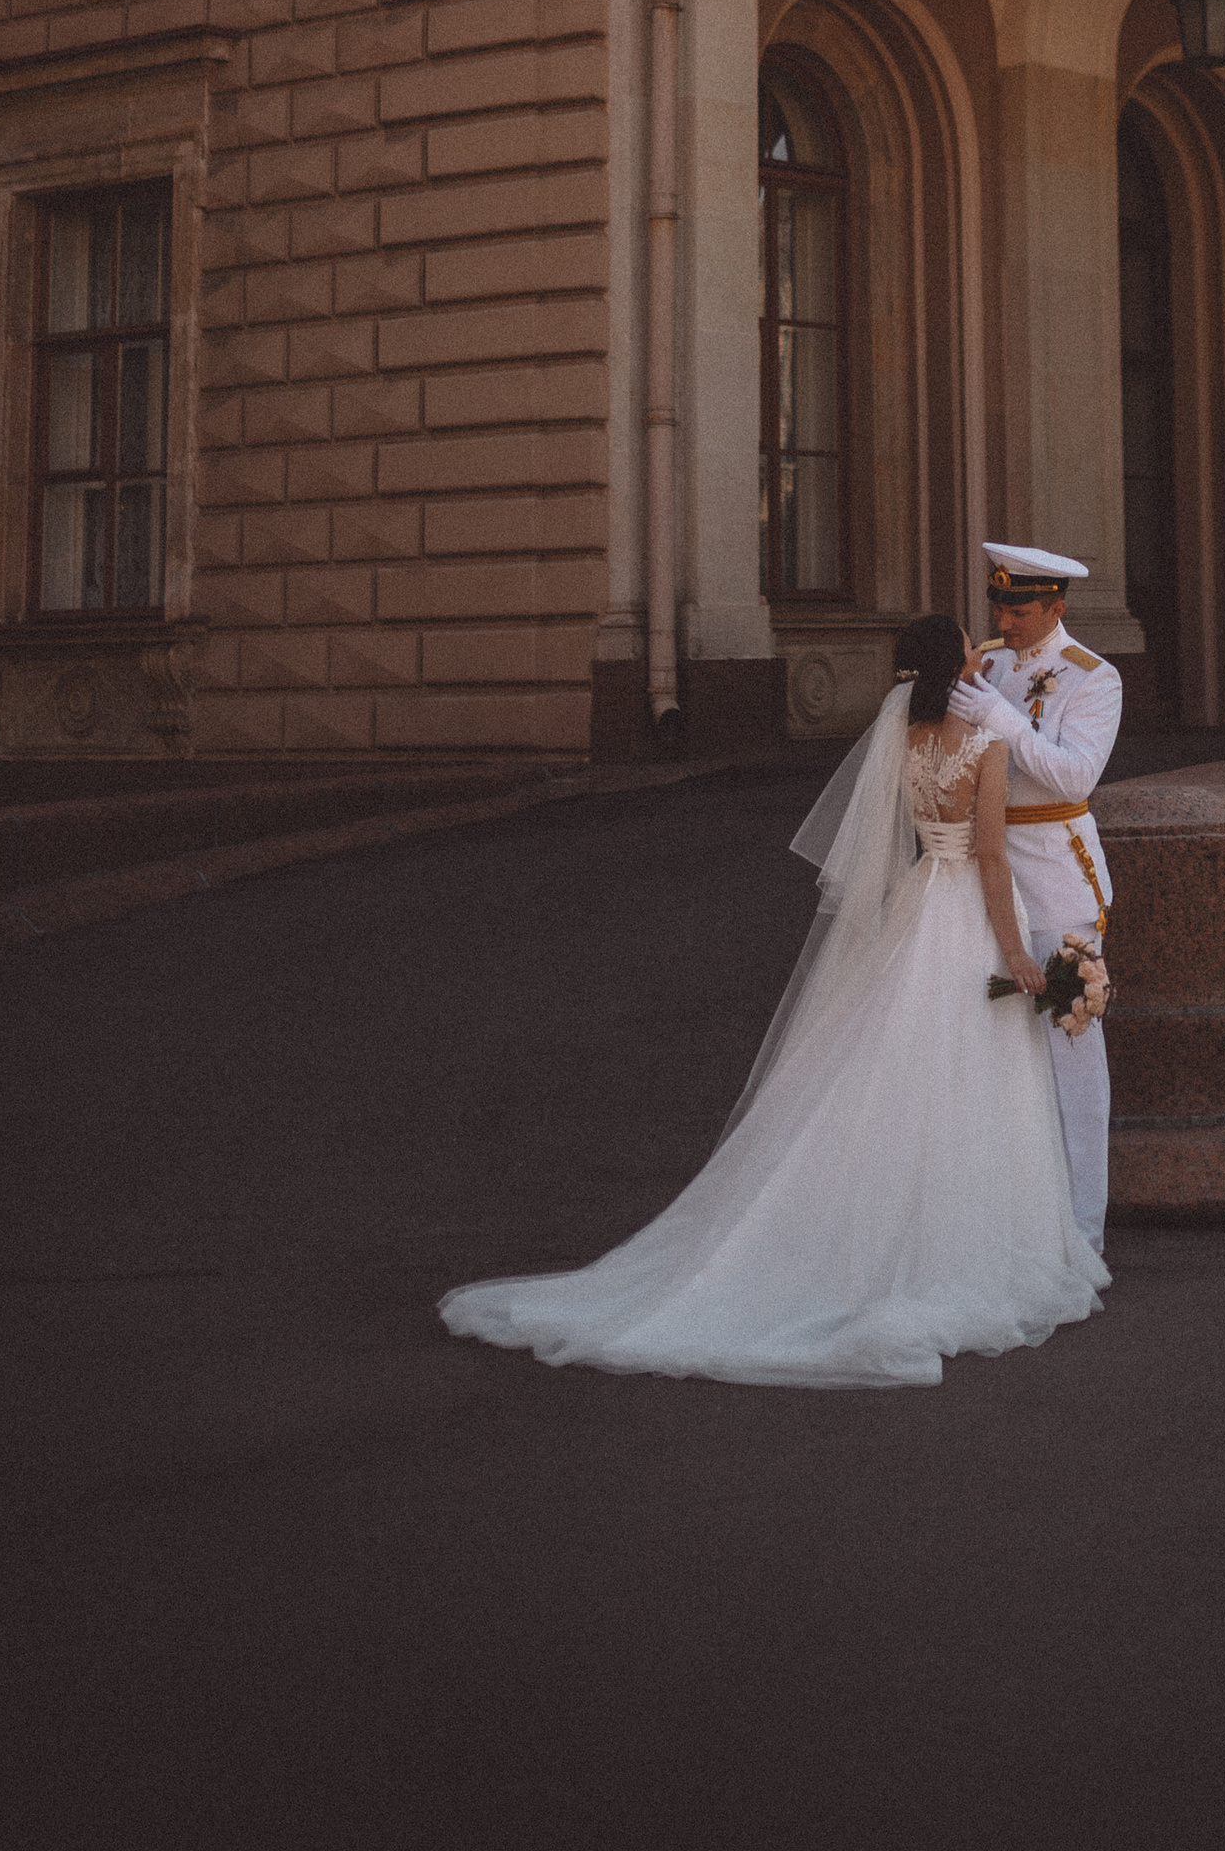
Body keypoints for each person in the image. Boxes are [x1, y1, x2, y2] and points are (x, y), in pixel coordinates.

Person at [438, 614, 1106, 1388]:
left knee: (893, 1065)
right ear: (955, 664)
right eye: (966, 644)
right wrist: (1016, 952)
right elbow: (991, 854)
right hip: (967, 917)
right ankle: (962, 1241)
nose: (976, 650)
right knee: (965, 1074)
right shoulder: (984, 745)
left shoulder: (902, 739)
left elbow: (904, 839)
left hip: (919, 904)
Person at [950, 540, 1123, 1253]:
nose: (1004, 617)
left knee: (1069, 1039)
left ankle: (1083, 1229)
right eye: (998, 604)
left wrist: (1004, 721)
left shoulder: (1093, 677)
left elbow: (1074, 776)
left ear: (1056, 607)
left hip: (1054, 873)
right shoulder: (986, 661)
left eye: (1019, 607)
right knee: (990, 1041)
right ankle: (1012, 1218)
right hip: (981, 873)